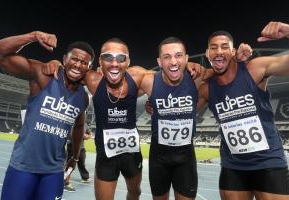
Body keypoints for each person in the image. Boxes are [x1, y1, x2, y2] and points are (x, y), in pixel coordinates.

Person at [43, 38, 203, 200]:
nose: (114, 63)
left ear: (128, 62)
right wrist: (57, 63)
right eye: (107, 57)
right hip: (106, 156)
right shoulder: (92, 79)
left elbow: (169, 74)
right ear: (100, 61)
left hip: (131, 154)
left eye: (120, 58)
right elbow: (72, 69)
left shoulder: (139, 76)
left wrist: (187, 66)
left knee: (135, 193)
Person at [197, 21, 289, 200]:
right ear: (207, 53)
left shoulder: (255, 69)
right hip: (233, 167)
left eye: (224, 47)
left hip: (269, 163)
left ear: (233, 52)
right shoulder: (206, 89)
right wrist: (191, 69)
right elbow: (177, 112)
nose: (219, 51)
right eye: (213, 48)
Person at [138, 37, 251, 200]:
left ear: (186, 58)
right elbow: (125, 83)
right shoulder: (150, 81)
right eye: (167, 57)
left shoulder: (197, 77)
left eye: (178, 56)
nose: (173, 61)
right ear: (159, 61)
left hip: (185, 158)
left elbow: (221, 68)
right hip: (158, 157)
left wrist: (236, 58)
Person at [0, 31, 93, 200]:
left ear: (89, 68)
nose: (78, 65)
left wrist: (75, 157)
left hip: (54, 172)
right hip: (23, 167)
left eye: (84, 62)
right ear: (64, 59)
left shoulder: (83, 97)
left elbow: (79, 125)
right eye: (74, 59)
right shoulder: (43, 75)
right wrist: (33, 36)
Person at [64, 123, 93, 192]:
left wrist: (87, 136)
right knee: (71, 165)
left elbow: (89, 134)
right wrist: (81, 135)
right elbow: (69, 134)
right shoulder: (71, 122)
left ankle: (85, 178)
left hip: (81, 147)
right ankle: (65, 183)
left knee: (81, 163)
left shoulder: (84, 124)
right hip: (72, 146)